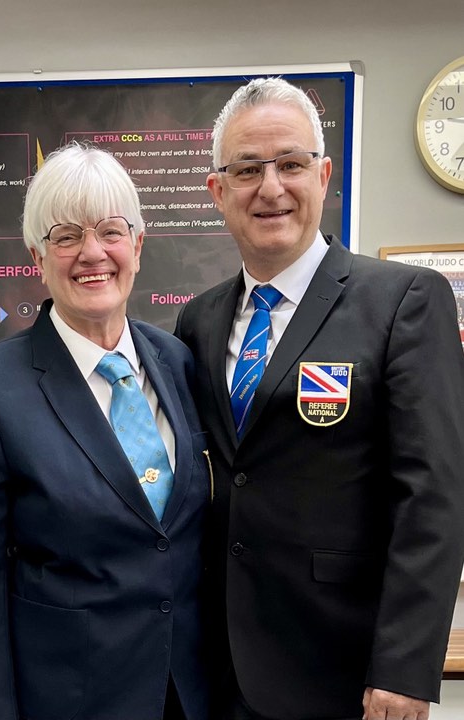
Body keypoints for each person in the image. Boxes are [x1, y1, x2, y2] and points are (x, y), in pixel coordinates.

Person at [175, 77, 464, 720]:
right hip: (217, 668)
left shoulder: (404, 302)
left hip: (344, 672)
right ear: (218, 191)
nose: (271, 187)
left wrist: (405, 668)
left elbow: (434, 497)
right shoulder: (197, 320)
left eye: (291, 164)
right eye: (248, 168)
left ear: (324, 175)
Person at [0, 143, 210, 720]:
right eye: (65, 236)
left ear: (137, 244)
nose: (92, 253)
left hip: (190, 693)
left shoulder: (179, 361)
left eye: (111, 231)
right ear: (37, 256)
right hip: (68, 700)